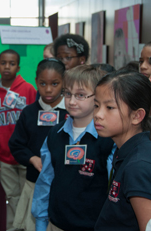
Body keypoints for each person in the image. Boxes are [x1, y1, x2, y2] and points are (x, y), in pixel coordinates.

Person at [32, 65, 115, 231]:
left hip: (94, 225)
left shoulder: (108, 138)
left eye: (81, 95)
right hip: (57, 223)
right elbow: (46, 179)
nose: (71, 101)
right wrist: (41, 221)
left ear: (97, 97)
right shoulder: (55, 134)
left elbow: (113, 187)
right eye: (67, 93)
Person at [8, 58, 68, 231]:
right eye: (43, 83)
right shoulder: (29, 113)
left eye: (55, 83)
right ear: (36, 82)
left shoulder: (71, 113)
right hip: (34, 183)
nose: (48, 89)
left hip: (62, 186)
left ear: (64, 82)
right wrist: (32, 158)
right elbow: (16, 145)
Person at [0, 49, 37, 231]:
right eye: (4, 63)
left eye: (12, 63)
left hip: (27, 156)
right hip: (3, 158)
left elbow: (36, 123)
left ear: (18, 67)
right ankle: (15, 228)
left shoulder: (28, 89)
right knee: (12, 197)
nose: (7, 67)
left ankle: (29, 228)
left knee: (28, 195)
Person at [94, 70, 151, 231]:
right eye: (96, 105)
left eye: (110, 107)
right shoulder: (126, 151)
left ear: (137, 116)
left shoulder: (138, 166)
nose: (98, 114)